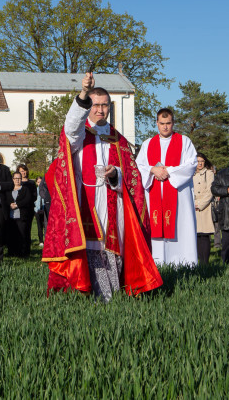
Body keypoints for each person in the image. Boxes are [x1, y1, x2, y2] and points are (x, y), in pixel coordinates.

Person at [42, 73, 161, 301]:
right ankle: (83, 290)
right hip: (85, 199)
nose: (100, 110)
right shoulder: (80, 134)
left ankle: (111, 293)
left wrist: (115, 174)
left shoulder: (119, 140)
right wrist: (84, 94)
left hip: (111, 201)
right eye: (95, 105)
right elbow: (70, 128)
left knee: (109, 243)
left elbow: (131, 176)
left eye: (104, 105)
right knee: (88, 242)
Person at [136, 108, 198, 266]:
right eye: (162, 123)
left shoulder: (184, 142)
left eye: (168, 123)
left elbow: (191, 164)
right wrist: (152, 170)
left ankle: (184, 265)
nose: (165, 127)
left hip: (178, 198)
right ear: (156, 123)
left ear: (173, 123)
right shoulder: (148, 144)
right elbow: (138, 166)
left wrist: (168, 171)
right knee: (156, 229)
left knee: (180, 227)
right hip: (154, 196)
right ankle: (157, 265)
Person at [192, 153, 216, 264]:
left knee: (204, 235)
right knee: (195, 235)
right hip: (192, 207)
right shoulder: (190, 174)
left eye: (202, 161)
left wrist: (200, 204)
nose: (200, 163)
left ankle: (205, 262)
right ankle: (196, 261)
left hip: (204, 207)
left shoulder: (209, 173)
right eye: (197, 161)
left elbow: (210, 191)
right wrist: (192, 203)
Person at [9, 164, 37, 257]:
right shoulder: (12, 187)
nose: (23, 173)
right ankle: (15, 250)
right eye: (21, 171)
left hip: (27, 210)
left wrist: (19, 204)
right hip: (15, 212)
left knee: (26, 231)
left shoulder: (30, 184)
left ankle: (25, 251)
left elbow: (32, 197)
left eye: (24, 171)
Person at [36, 175, 50, 247]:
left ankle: (47, 239)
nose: (39, 183)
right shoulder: (36, 190)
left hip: (45, 207)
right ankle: (41, 240)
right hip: (38, 209)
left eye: (40, 182)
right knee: (39, 226)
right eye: (38, 182)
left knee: (46, 224)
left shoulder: (45, 188)